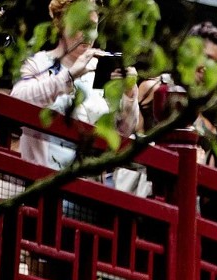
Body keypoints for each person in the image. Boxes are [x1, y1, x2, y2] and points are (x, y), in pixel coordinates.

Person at [11, 0, 140, 172]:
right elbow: (16, 101)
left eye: (92, 27)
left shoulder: (102, 69)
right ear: (61, 25)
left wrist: (129, 95)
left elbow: (124, 131)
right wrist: (68, 77)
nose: (88, 36)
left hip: (90, 183)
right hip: (43, 180)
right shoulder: (39, 63)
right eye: (81, 26)